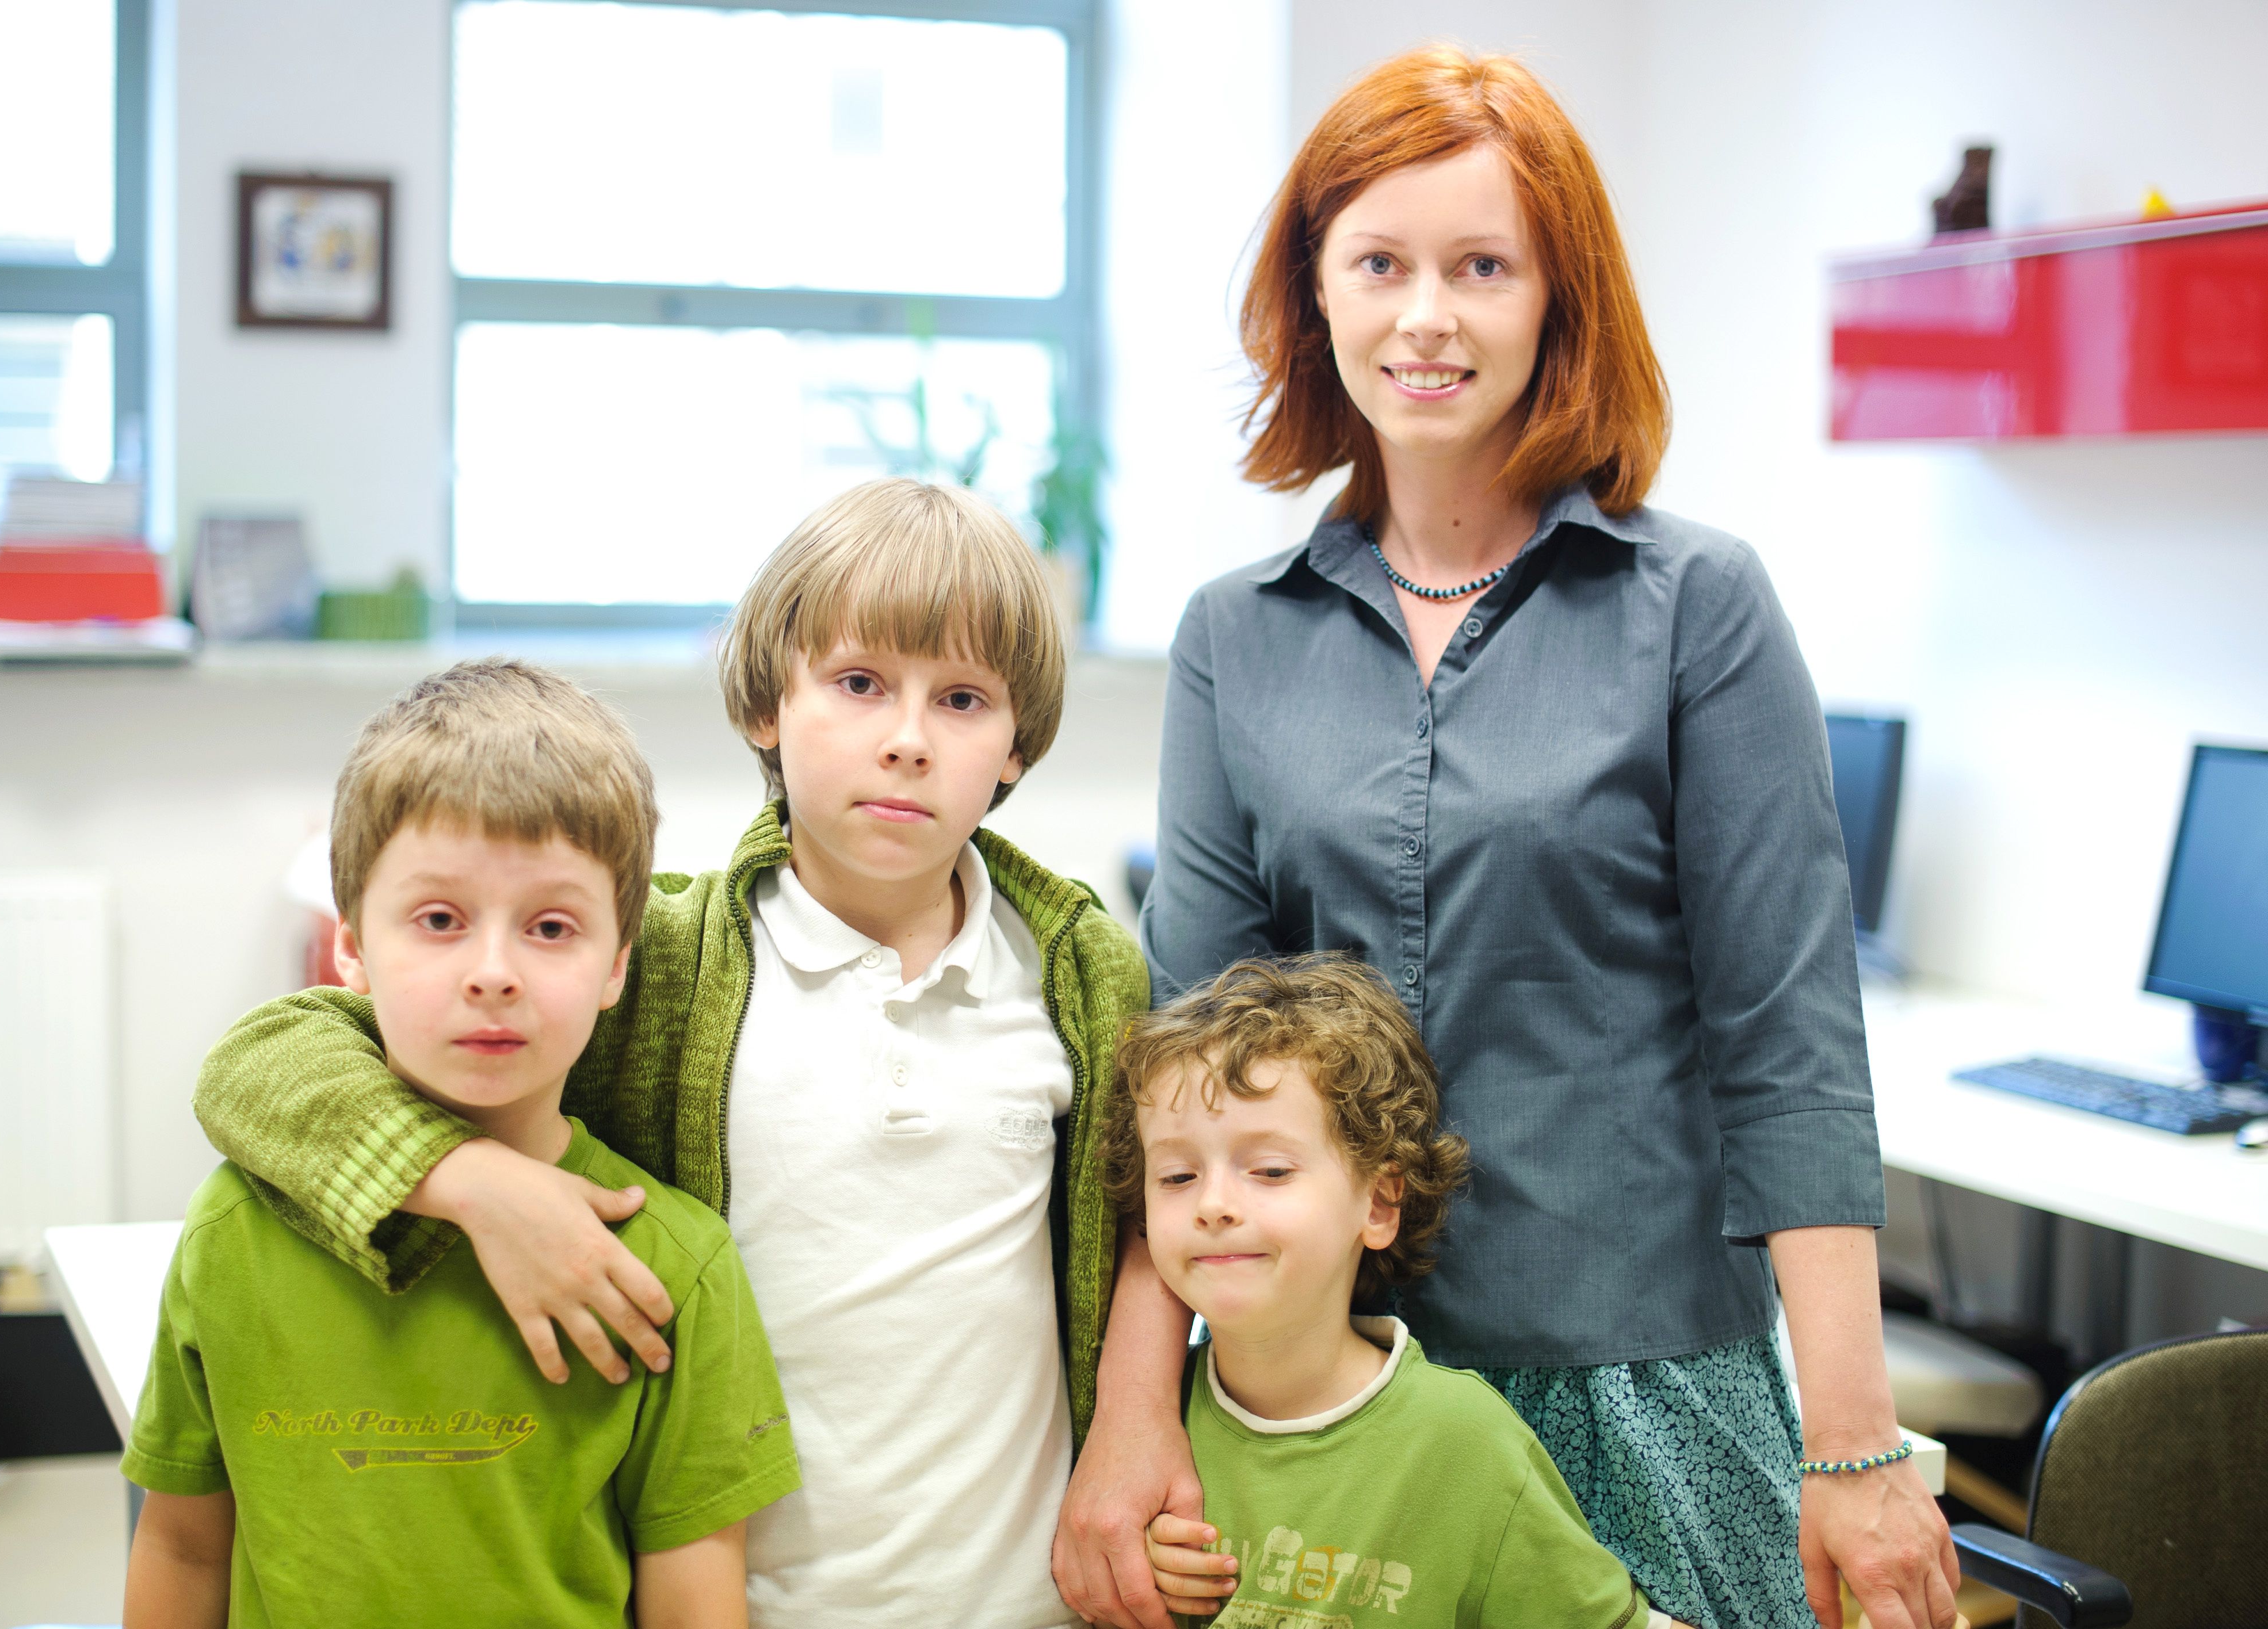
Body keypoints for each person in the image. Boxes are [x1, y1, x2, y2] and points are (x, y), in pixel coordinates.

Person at [1120, 45, 1959, 1629]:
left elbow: (1790, 1038)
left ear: (1559, 297)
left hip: (1645, 1380)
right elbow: (1183, 1069)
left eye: (1483, 267)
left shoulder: (1697, 606)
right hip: (1328, 1388)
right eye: (1379, 263)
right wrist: (1133, 1412)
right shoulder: (1237, 635)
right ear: (1315, 294)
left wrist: (1856, 1446)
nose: (1425, 316)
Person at [189, 480, 1162, 1628]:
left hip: (1027, 1604)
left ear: (1015, 744)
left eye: (961, 699)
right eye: (858, 684)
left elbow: (1144, 1226)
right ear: (766, 706)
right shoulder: (658, 960)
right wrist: (475, 1181)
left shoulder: (1081, 973)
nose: (906, 740)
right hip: (737, 1602)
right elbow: (258, 1065)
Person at [120, 658, 799, 1628]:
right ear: (350, 947)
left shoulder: (671, 1269)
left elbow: (693, 1597)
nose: (493, 972)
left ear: (617, 966)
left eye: (550, 927)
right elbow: (183, 1547)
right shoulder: (234, 1230)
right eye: (439, 919)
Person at [1106, 955, 1675, 1629]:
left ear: (1378, 1203)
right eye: (1176, 1177)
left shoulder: (1464, 1442)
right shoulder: (1137, 1436)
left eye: (1270, 1170)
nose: (1212, 1205)